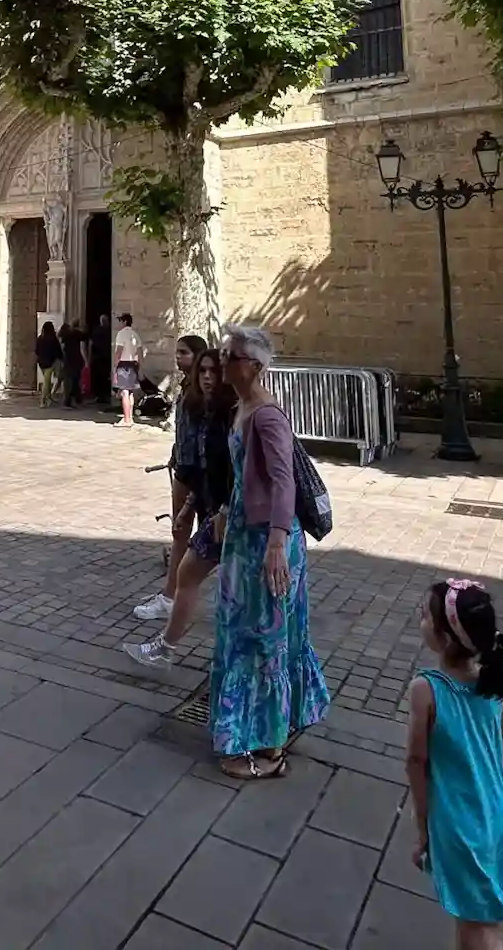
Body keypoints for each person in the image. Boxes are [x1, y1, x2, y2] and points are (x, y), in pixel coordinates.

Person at [206, 324, 329, 779]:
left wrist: (277, 541)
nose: (223, 361)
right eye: (224, 353)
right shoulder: (244, 408)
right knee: (242, 636)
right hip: (244, 537)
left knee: (265, 642)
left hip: (267, 544)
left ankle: (269, 747)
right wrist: (223, 509)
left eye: (231, 355)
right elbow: (247, 476)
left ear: (254, 366)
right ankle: (249, 735)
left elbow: (284, 480)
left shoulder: (268, 416)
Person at [405, 579, 503, 948]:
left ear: (445, 639)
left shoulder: (426, 690)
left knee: (476, 928)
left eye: (425, 616)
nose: (420, 619)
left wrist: (423, 829)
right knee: (481, 916)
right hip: (494, 822)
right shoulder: (494, 685)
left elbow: (417, 761)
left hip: (457, 825)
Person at [128, 340, 235, 667]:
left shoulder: (235, 416)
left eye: (212, 371)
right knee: (191, 571)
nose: (206, 377)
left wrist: (228, 509)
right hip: (214, 504)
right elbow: (206, 467)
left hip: (237, 514)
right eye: (202, 370)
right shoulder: (202, 407)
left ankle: (182, 647)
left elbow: (246, 470)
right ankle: (167, 644)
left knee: (226, 582)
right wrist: (191, 504)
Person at [112, 313, 146, 427]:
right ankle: (130, 417)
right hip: (133, 364)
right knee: (130, 392)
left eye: (120, 321)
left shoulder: (122, 334)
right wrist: (140, 367)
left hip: (124, 364)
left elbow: (119, 351)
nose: (119, 323)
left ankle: (126, 420)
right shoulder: (135, 334)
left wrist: (115, 365)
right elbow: (140, 352)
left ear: (125, 322)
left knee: (124, 392)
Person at [59, 320, 86, 410]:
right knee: (75, 380)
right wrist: (86, 360)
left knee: (69, 381)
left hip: (68, 360)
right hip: (76, 360)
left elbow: (62, 347)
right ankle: (74, 400)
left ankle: (70, 400)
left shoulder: (66, 335)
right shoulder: (77, 334)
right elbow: (83, 345)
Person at [35, 320, 62, 406]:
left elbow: (36, 351)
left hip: (41, 363)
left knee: (47, 380)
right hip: (50, 363)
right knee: (46, 382)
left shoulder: (40, 338)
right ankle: (43, 401)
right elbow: (58, 351)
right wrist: (61, 359)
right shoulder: (53, 339)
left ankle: (49, 397)